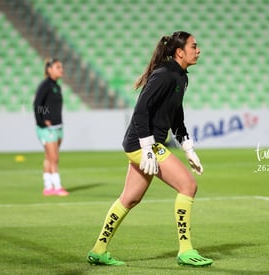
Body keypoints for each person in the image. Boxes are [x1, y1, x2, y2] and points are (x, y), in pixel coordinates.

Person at [86, 31, 213, 267]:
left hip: (143, 143)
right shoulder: (165, 75)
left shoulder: (181, 77)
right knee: (188, 185)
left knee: (130, 198)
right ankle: (185, 250)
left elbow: (177, 116)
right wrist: (146, 148)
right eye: (194, 46)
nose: (198, 50)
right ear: (179, 52)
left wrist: (188, 148)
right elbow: (141, 111)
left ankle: (98, 250)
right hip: (142, 143)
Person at [33, 58, 69, 196]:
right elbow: (37, 105)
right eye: (58, 67)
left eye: (61, 67)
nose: (61, 69)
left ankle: (48, 187)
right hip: (48, 129)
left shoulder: (56, 86)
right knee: (54, 158)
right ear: (49, 69)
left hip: (58, 127)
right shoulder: (45, 85)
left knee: (49, 158)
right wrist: (42, 122)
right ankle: (57, 186)